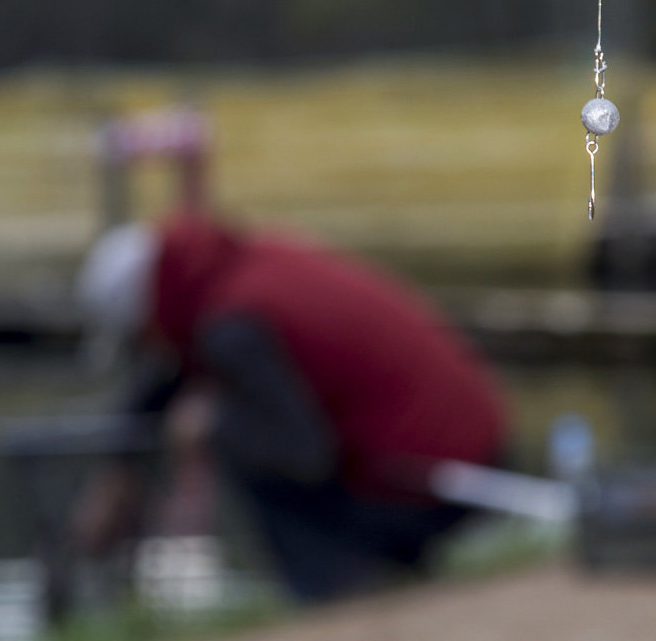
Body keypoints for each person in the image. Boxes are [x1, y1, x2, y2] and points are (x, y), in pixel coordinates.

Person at [73, 209, 509, 603]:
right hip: (478, 448)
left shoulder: (232, 325)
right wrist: (118, 466)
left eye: (137, 340)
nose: (146, 350)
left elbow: (303, 453)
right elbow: (168, 373)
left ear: (149, 314)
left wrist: (212, 427)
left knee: (243, 443)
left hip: (439, 482)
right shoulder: (243, 266)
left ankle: (334, 595)